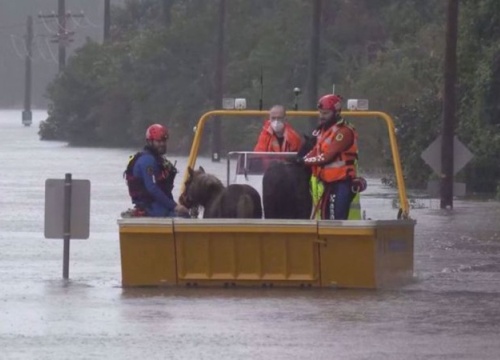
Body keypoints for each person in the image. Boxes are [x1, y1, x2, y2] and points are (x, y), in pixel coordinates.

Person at [299, 94, 363, 220]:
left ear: (337, 112)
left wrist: (304, 161)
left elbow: (328, 157)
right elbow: (315, 151)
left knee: (336, 220)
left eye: (326, 113)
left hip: (342, 183)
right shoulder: (323, 131)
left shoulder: (344, 132)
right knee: (325, 219)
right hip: (328, 183)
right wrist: (301, 158)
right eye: (320, 113)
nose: (321, 116)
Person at [124, 124, 190, 217]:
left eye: (164, 141)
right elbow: (152, 188)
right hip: (150, 206)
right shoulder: (147, 160)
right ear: (150, 142)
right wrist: (175, 206)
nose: (162, 144)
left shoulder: (158, 160)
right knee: (182, 217)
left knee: (184, 214)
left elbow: (164, 189)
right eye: (158, 141)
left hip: (156, 204)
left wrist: (176, 206)